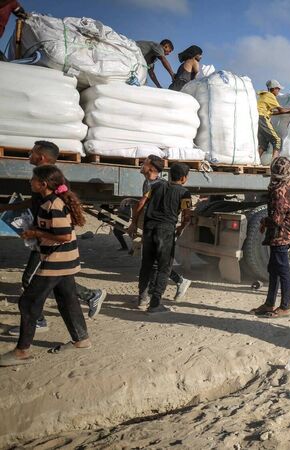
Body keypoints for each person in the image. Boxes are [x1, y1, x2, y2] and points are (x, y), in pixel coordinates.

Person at [0, 141, 105, 337]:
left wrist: (38, 233)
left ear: (41, 157)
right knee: (63, 285)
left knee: (31, 279)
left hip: (53, 243)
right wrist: (8, 208)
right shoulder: (42, 178)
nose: (29, 155)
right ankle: (89, 304)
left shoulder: (52, 181)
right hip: (47, 241)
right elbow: (34, 202)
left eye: (32, 152)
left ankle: (38, 322)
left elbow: (62, 223)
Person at [1, 165, 91, 366]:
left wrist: (36, 233)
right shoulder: (47, 202)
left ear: (43, 184)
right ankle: (81, 339)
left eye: (33, 179)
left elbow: (64, 235)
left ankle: (22, 351)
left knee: (28, 302)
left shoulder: (54, 204)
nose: (30, 182)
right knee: (67, 298)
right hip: (63, 259)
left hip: (57, 260)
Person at [128, 155, 191, 304]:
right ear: (183, 178)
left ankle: (142, 298)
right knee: (164, 267)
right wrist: (181, 227)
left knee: (147, 265)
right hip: (166, 232)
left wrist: (134, 223)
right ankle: (155, 304)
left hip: (149, 229)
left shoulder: (155, 187)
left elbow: (140, 204)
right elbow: (187, 215)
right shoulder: (185, 193)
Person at [250, 157, 290, 318]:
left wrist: (263, 221)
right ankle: (269, 303)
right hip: (289, 231)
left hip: (280, 234)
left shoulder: (278, 191)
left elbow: (276, 220)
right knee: (274, 269)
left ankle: (285, 306)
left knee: (282, 270)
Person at [257, 80, 290, 160]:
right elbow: (281, 109)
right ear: (274, 88)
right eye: (278, 89)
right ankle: (274, 162)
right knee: (277, 140)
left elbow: (272, 112)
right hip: (262, 118)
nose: (279, 91)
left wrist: (286, 111)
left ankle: (255, 160)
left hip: (258, 118)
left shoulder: (264, 95)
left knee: (263, 144)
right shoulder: (270, 95)